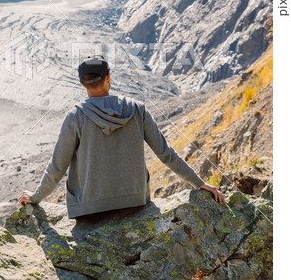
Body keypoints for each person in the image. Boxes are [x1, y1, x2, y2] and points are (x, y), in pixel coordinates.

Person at [18, 55, 225, 217]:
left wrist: (36, 197)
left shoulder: (75, 116)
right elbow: (166, 154)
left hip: (90, 209)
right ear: (108, 78)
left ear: (82, 84)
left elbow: (57, 166)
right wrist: (199, 183)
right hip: (135, 202)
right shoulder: (137, 109)